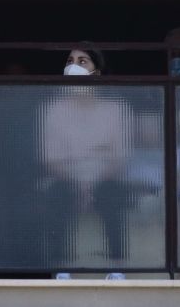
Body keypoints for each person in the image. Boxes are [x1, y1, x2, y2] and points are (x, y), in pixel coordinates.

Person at [38, 47, 133, 276]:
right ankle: (61, 268)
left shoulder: (115, 109)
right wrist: (78, 184)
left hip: (105, 175)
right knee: (58, 194)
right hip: (67, 175)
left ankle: (116, 267)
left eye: (83, 61)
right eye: (70, 61)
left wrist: (94, 184)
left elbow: (120, 155)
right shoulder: (55, 109)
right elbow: (51, 157)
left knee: (112, 194)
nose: (74, 66)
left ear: (96, 73)